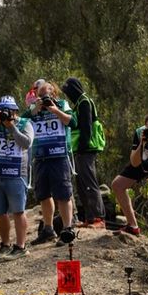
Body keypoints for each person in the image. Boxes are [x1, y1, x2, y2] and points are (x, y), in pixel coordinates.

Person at [24, 81, 77, 245]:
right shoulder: (34, 110)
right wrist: (35, 109)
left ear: (54, 93)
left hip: (59, 155)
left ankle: (67, 229)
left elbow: (73, 122)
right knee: (43, 194)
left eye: (46, 93)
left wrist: (54, 109)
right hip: (40, 158)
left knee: (63, 194)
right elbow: (21, 122)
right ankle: (48, 229)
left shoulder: (62, 104)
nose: (44, 97)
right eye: (40, 95)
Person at [0, 96, 35, 260]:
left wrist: (12, 128)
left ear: (15, 111)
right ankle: (5, 245)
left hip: (16, 174)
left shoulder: (25, 123)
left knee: (18, 211)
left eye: (8, 110)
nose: (5, 113)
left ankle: (21, 247)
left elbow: (26, 143)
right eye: (2, 110)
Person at [61, 77, 106, 228]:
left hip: (86, 149)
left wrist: (82, 146)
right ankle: (89, 217)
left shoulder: (84, 102)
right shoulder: (78, 103)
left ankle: (98, 218)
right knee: (81, 184)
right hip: (79, 150)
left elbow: (86, 127)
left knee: (89, 182)